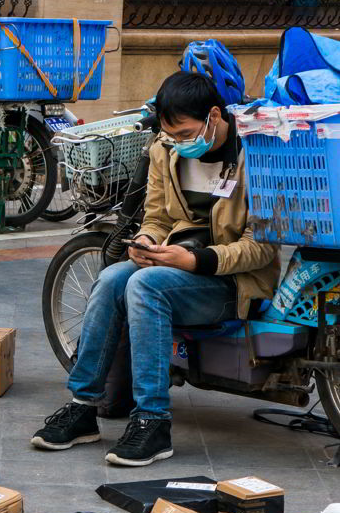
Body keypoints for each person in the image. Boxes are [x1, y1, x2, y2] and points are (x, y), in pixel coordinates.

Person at [32, 71, 281, 466]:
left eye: (185, 133)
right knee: (113, 277)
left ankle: (152, 419)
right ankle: (83, 405)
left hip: (233, 282)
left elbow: (262, 249)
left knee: (146, 286)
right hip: (177, 262)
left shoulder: (256, 154)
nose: (180, 143)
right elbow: (157, 219)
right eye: (172, 135)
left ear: (214, 116)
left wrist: (198, 260)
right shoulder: (165, 150)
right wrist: (147, 241)